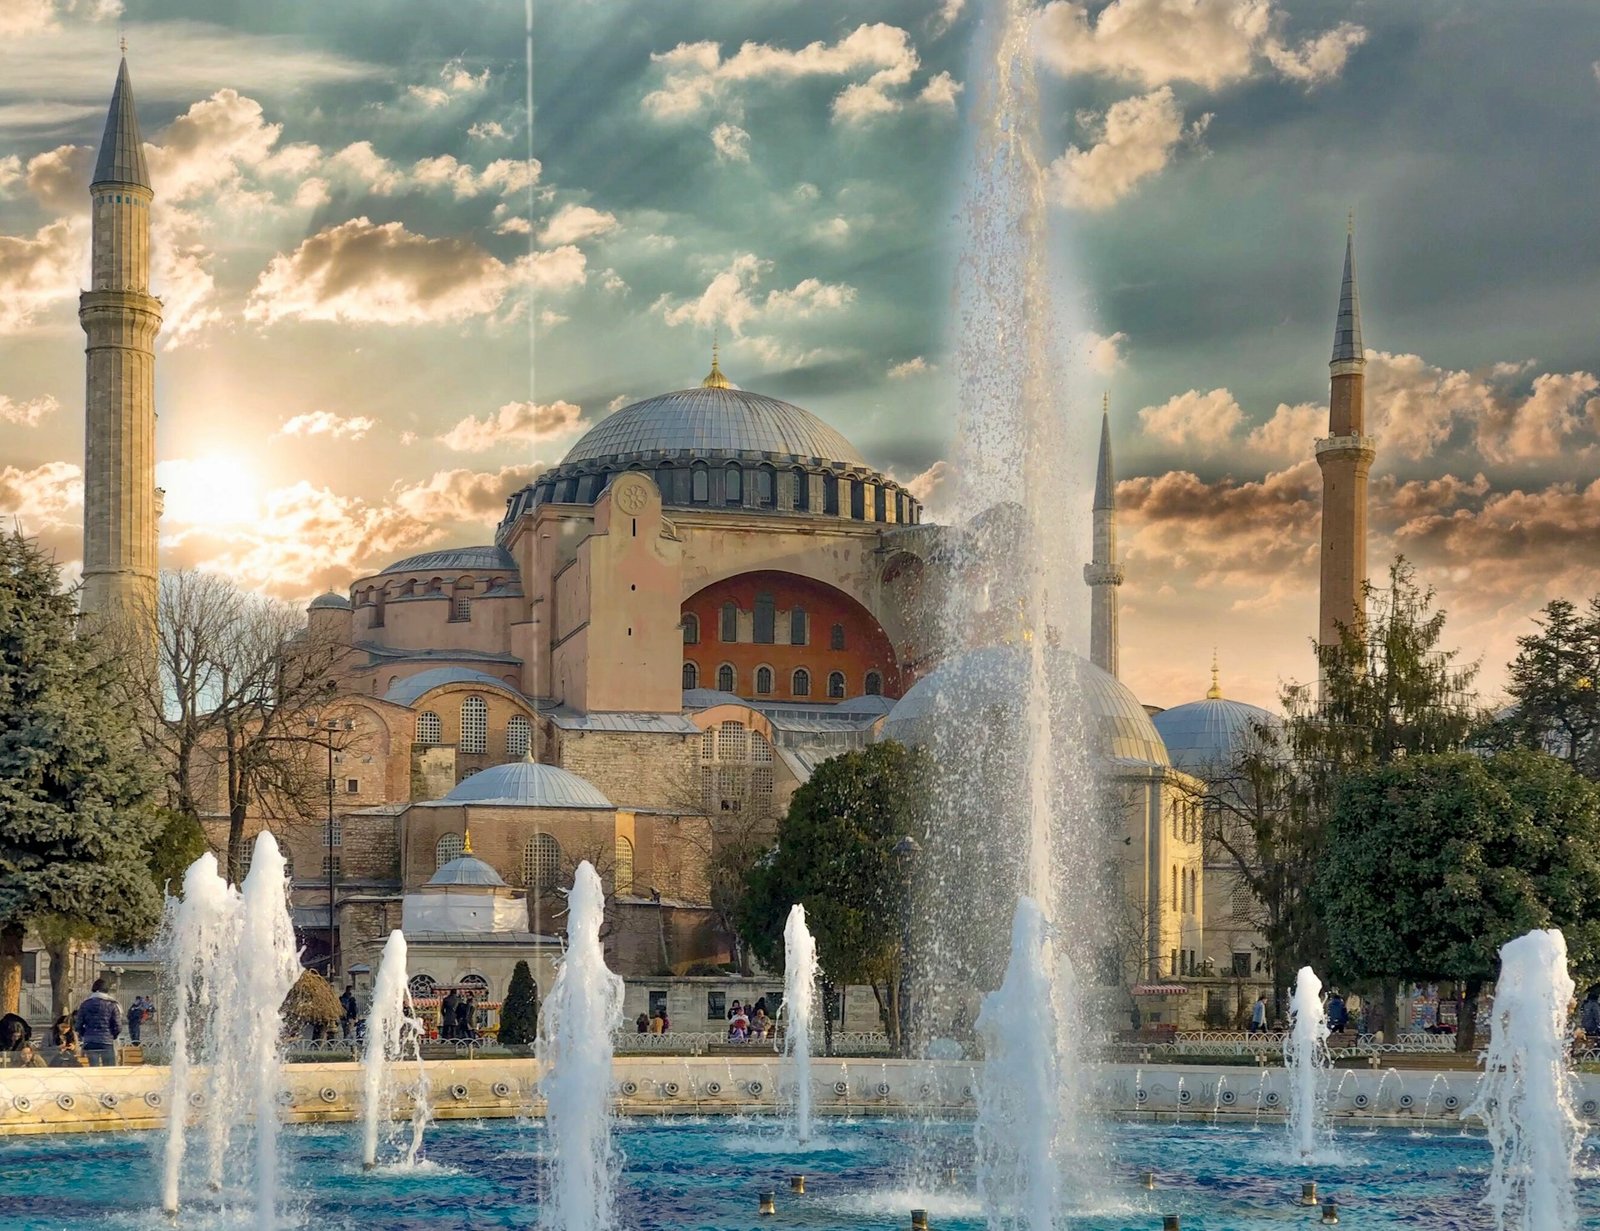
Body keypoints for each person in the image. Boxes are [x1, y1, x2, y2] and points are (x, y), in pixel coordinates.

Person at [74, 978, 123, 1066]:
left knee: (94, 1069)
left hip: (90, 1041)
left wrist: (84, 1034)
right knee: (109, 1069)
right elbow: (118, 1026)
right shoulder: (112, 1004)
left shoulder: (85, 1004)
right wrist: (113, 1035)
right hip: (106, 1041)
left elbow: (78, 1025)